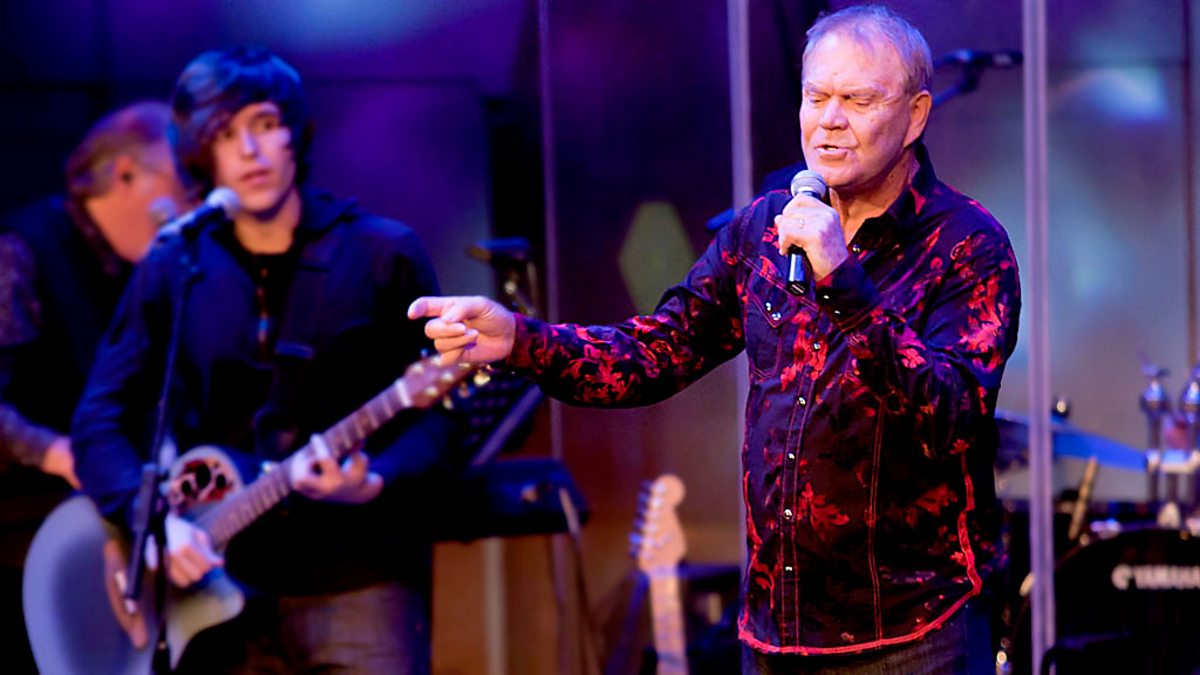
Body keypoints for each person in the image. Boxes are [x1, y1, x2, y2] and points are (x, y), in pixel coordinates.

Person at [410, 5, 1020, 674]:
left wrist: (843, 280)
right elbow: (654, 353)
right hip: (775, 633)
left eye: (857, 100)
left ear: (916, 115)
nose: (829, 119)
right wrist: (521, 340)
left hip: (912, 633)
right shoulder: (763, 230)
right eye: (816, 96)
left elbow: (950, 417)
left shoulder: (966, 246)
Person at [72, 47, 454, 674]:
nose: (249, 150)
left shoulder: (382, 254)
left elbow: (439, 422)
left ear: (294, 133)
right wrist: (156, 523)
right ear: (202, 154)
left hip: (358, 579)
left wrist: (375, 480)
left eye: (265, 124)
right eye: (225, 134)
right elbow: (99, 423)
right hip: (214, 597)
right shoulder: (175, 264)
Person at [0, 100, 185, 674]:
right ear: (125, 174)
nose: (191, 204)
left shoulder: (148, 270)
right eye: (183, 182)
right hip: (22, 540)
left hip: (104, 540)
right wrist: (59, 453)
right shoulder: (23, 252)